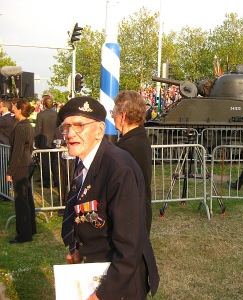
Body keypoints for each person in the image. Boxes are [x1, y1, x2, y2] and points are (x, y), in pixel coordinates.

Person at [58, 96, 159, 299]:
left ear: (100, 130)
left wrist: (103, 294)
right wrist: (78, 248)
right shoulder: (85, 159)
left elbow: (130, 246)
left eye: (79, 125)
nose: (70, 134)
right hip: (96, 268)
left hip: (120, 282)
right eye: (66, 126)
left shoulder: (118, 168)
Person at [112, 90, 153, 234]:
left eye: (113, 112)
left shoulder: (127, 147)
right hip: (139, 212)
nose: (112, 116)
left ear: (122, 116)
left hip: (130, 218)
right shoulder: (139, 138)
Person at [6, 99, 36, 243]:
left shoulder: (21, 128)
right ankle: (31, 228)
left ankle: (24, 234)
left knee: (21, 200)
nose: (12, 110)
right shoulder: (28, 125)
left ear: (19, 109)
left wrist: (10, 171)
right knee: (27, 198)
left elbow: (17, 152)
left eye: (13, 107)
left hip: (21, 166)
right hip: (27, 164)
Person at [35, 94, 59, 188]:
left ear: (44, 104)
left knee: (45, 163)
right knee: (54, 162)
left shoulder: (41, 115)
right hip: (55, 141)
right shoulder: (56, 114)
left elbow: (38, 130)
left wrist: (36, 143)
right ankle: (56, 181)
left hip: (44, 142)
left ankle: (46, 182)